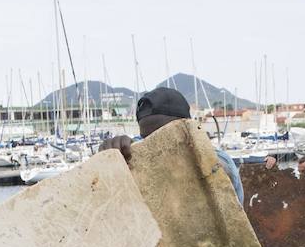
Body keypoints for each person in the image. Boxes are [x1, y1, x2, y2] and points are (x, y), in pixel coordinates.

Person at [99, 87, 244, 204]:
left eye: (164, 137)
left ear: (187, 129)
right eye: (147, 138)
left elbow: (222, 170)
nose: (154, 146)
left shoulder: (217, 158)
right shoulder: (139, 146)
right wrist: (111, 154)